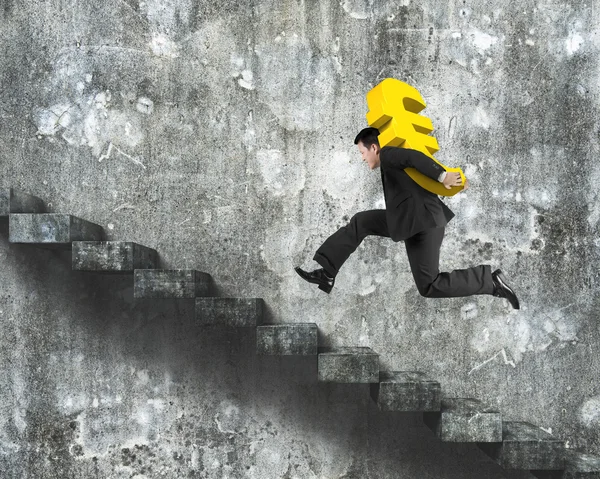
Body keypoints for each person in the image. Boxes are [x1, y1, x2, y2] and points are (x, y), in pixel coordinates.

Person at [294, 127, 520, 309]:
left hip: (424, 222)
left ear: (374, 147)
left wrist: (442, 176)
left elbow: (414, 157)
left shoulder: (389, 153)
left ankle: (490, 281)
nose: (362, 158)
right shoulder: (388, 162)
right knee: (362, 222)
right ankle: (327, 273)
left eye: (362, 153)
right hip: (409, 221)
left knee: (429, 285)